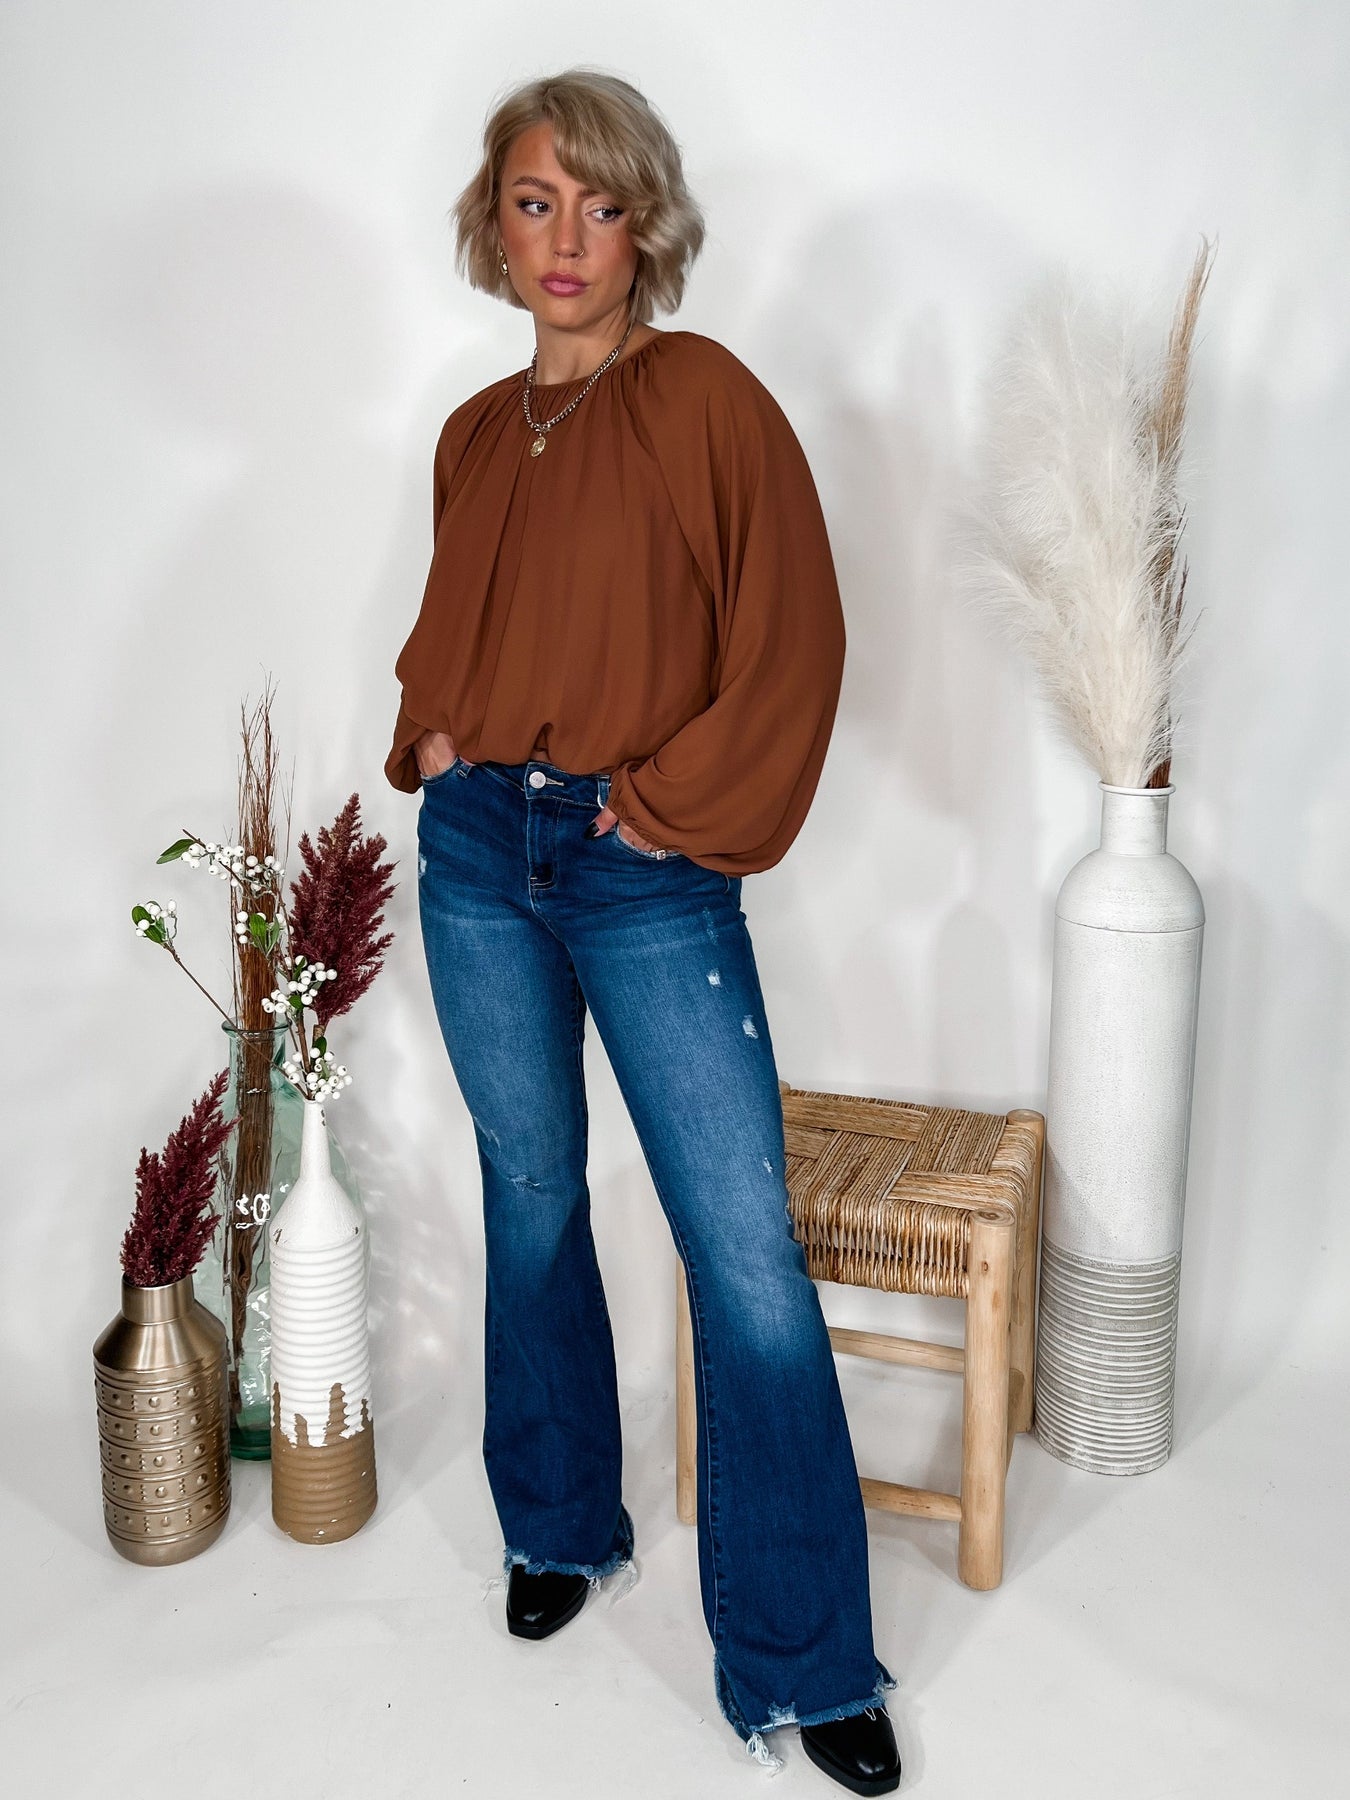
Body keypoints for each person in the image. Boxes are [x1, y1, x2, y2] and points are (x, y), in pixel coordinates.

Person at [384, 67, 901, 1796]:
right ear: (495, 222)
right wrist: (436, 743)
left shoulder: (703, 398)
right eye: (535, 202)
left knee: (741, 1247)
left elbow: (794, 639)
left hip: (640, 866)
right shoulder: (474, 433)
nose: (566, 239)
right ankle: (557, 1522)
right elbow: (462, 631)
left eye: (600, 206)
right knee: (528, 1189)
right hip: (478, 857)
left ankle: (804, 1658)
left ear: (645, 228)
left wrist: (662, 808)